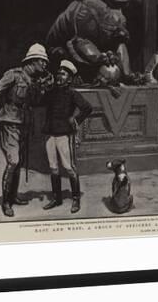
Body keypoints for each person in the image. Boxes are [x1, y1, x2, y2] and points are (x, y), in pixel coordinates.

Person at [0, 43, 50, 217]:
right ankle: (6, 202)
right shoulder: (13, 75)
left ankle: (14, 196)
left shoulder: (34, 80)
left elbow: (36, 102)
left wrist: (43, 90)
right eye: (42, 61)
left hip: (24, 123)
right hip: (10, 122)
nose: (45, 65)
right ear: (32, 61)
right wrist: (2, 110)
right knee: (13, 161)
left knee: (19, 162)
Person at [41, 60, 93, 213]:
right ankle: (57, 199)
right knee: (53, 168)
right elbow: (37, 102)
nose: (59, 76)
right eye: (58, 73)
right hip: (50, 134)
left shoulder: (72, 93)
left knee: (69, 168)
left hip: (64, 134)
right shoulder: (50, 92)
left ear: (69, 78)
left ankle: (76, 199)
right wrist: (42, 88)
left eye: (63, 74)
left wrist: (75, 119)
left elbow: (87, 108)